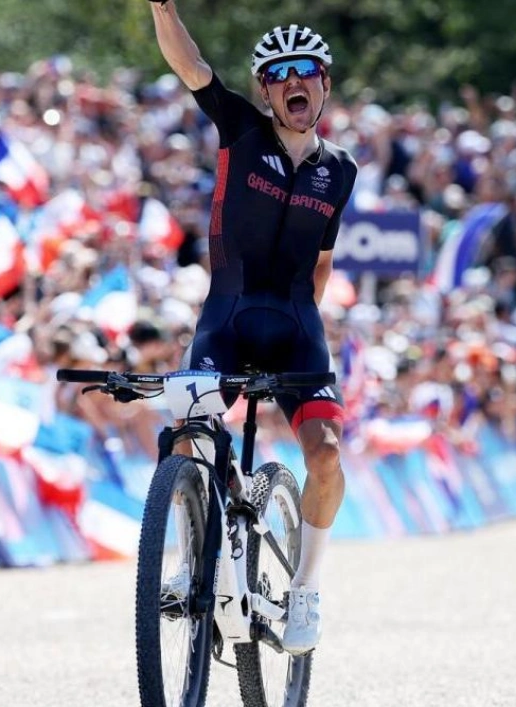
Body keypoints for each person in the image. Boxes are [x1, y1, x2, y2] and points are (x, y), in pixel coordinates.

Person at [148, 0, 358, 655]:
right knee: (187, 431)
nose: (293, 81)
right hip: (228, 317)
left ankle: (305, 587)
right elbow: (191, 65)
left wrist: (309, 350)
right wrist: (162, 7)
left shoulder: (340, 171)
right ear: (266, 91)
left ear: (324, 83)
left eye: (306, 71)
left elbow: (320, 264)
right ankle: (190, 562)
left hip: (295, 323)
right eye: (278, 73)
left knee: (325, 453)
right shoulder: (240, 128)